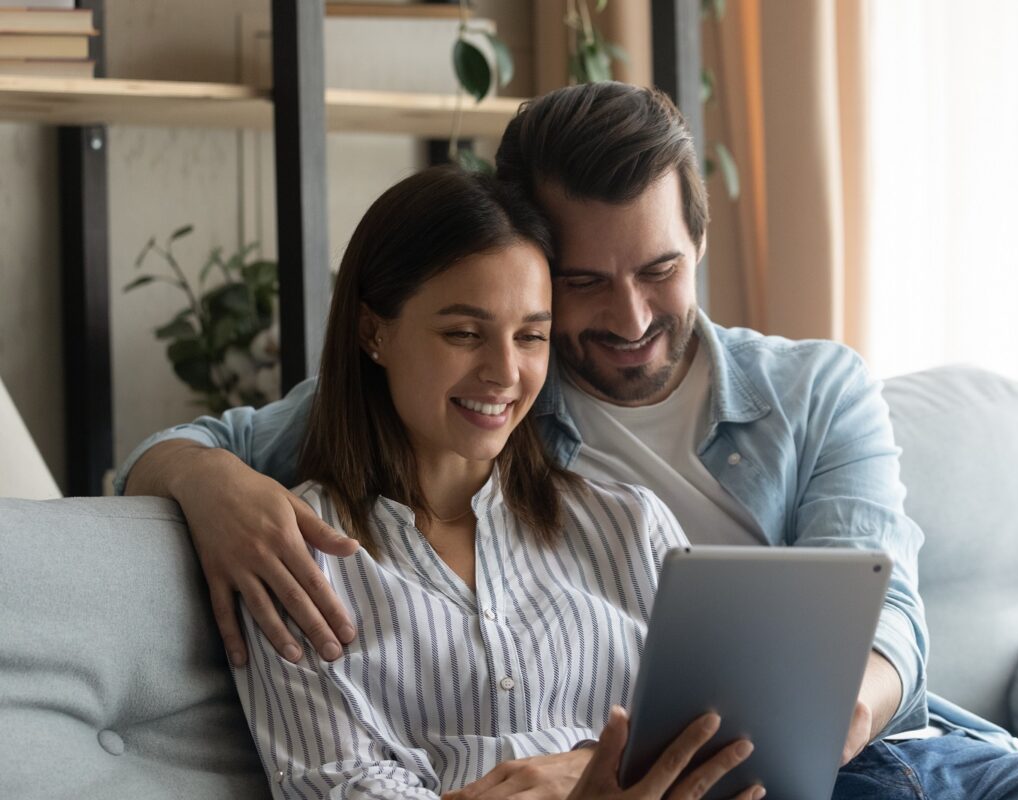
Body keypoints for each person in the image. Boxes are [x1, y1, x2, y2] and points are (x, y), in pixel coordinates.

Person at [120, 83, 1018, 799]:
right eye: (579, 284)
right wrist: (205, 482)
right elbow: (205, 441)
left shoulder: (808, 390)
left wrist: (840, 706)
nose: (627, 314)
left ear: (700, 242)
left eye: (659, 267)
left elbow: (886, 607)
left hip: (904, 750)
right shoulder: (488, 397)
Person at [227, 164, 762, 799]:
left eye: (531, 336)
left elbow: (727, 750)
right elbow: (335, 784)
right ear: (374, 332)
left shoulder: (633, 527)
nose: (505, 372)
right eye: (463, 334)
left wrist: (583, 771)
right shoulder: (293, 553)